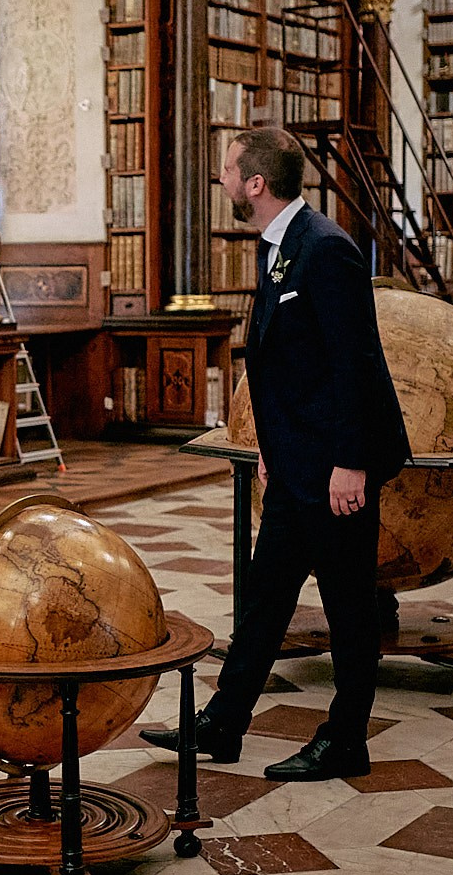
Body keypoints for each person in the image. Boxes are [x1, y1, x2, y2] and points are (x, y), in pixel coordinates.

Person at [142, 126, 410, 782]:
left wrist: (352, 460)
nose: (223, 178)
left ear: (255, 184)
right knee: (265, 598)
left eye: (229, 168)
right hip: (295, 462)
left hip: (335, 468)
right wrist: (268, 445)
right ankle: (225, 722)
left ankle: (347, 738)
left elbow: (356, 362)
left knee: (349, 606)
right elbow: (288, 364)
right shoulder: (281, 245)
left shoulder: (326, 250)